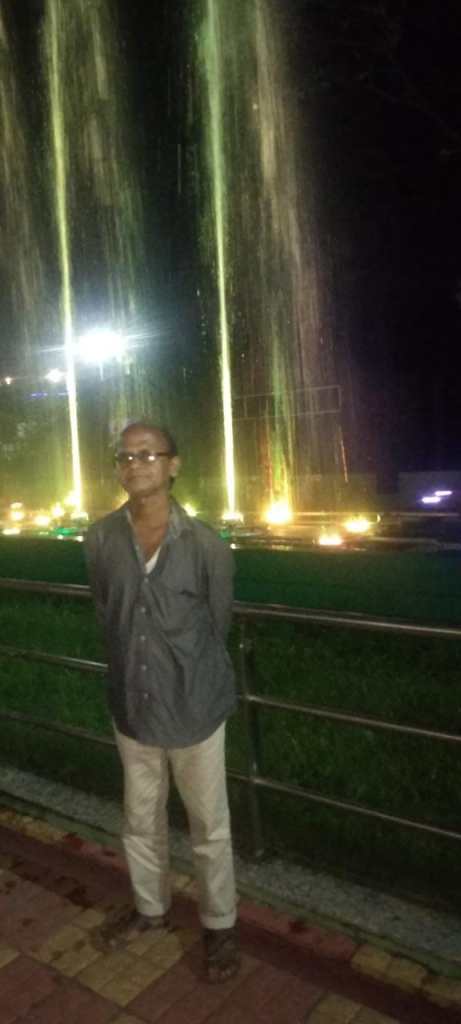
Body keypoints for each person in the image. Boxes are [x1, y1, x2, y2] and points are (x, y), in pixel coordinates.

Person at [84, 420, 239, 982]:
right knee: (139, 818)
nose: (135, 464)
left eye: (148, 454)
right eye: (126, 456)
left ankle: (219, 924)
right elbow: (109, 613)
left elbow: (217, 623)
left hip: (195, 705)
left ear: (174, 465)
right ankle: (150, 909)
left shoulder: (205, 545)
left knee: (209, 825)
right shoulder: (100, 539)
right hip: (133, 703)